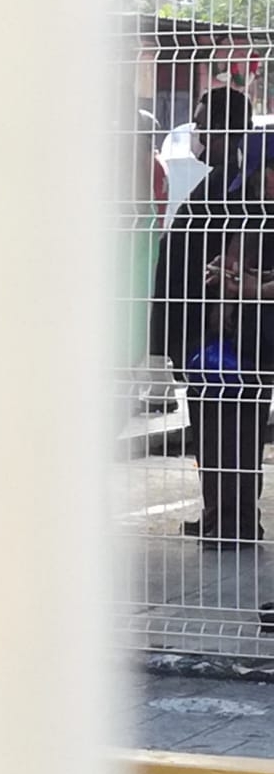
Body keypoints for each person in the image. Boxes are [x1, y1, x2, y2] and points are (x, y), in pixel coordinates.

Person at [151, 87, 264, 548]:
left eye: (203, 125)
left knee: (231, 429)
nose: (197, 135)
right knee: (214, 429)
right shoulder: (222, 180)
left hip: (224, 333)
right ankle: (220, 513)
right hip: (202, 329)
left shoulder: (241, 185)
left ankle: (235, 521)